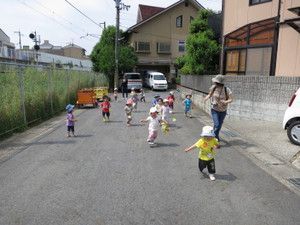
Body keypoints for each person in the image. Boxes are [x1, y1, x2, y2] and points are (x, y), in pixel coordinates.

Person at [204, 75, 233, 144]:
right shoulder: (213, 88)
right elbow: (209, 94)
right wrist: (206, 98)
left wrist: (225, 101)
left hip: (223, 110)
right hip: (215, 109)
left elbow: (231, 99)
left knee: (219, 125)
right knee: (217, 124)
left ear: (218, 83)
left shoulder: (227, 89)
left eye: (215, 82)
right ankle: (213, 138)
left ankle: (216, 136)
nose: (214, 83)